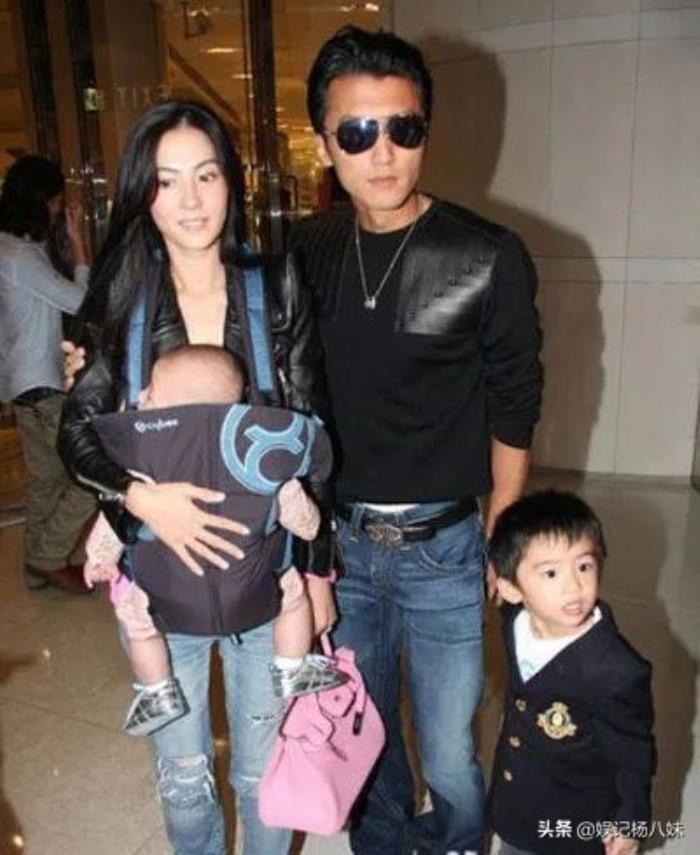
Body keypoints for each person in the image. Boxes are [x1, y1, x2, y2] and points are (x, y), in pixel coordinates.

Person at [290, 26, 543, 854]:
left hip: (444, 544)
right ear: (324, 143)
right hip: (342, 543)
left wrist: (503, 529)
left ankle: (460, 841)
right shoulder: (306, 250)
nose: (383, 151)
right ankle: (385, 839)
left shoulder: (486, 255)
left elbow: (516, 401)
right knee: (364, 728)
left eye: (403, 127)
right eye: (357, 131)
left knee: (448, 745)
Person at [58, 99, 336, 855]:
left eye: (206, 175)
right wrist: (142, 500)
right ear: (142, 193)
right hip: (162, 576)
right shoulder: (122, 296)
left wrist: (317, 567)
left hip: (264, 574)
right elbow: (78, 431)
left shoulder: (274, 283)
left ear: (231, 183)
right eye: (167, 180)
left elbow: (313, 430)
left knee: (262, 773)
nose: (189, 200)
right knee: (184, 777)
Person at [84, 345, 342, 737]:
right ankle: (291, 667)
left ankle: (156, 690)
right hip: (252, 592)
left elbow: (113, 521)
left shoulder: (140, 465)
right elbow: (306, 524)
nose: (142, 396)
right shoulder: (261, 460)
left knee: (137, 621)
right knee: (292, 595)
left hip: (165, 592)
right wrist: (302, 516)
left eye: (151, 391)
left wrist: (98, 558)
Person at [488, 490, 656, 855]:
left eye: (584, 566)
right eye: (550, 573)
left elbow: (633, 754)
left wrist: (630, 822)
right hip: (517, 807)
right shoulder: (516, 622)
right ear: (511, 589)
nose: (574, 586)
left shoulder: (615, 670)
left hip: (573, 824)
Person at [0, 155, 95, 595]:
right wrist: (79, 245)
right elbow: (81, 302)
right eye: (56, 201)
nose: (58, 209)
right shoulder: (21, 256)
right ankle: (49, 557)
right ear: (40, 201)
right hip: (41, 383)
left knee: (46, 482)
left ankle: (35, 568)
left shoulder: (10, 249)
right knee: (88, 475)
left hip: (22, 385)